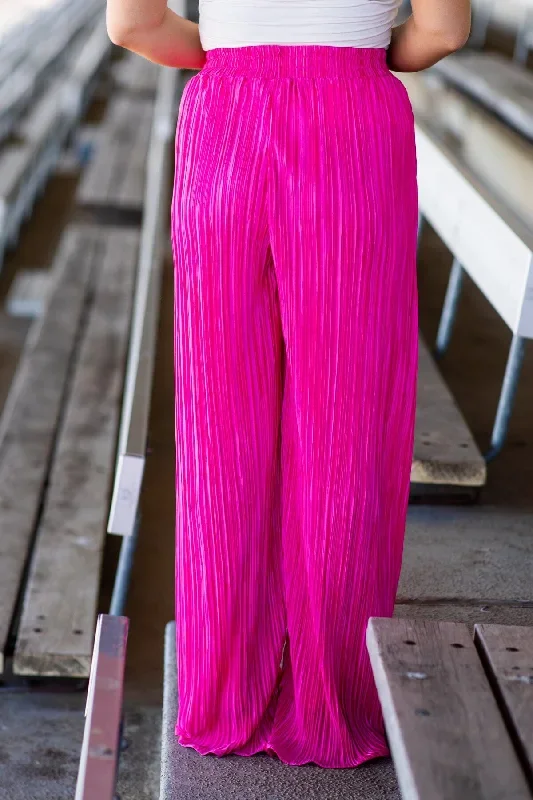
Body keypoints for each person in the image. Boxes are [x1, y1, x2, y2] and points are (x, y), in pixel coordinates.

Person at [107, 0, 471, 770]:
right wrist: (354, 51)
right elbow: (441, 31)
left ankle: (226, 688)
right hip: (351, 123)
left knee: (222, 418)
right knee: (342, 414)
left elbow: (133, 26)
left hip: (226, 125)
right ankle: (328, 696)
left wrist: (244, 60)